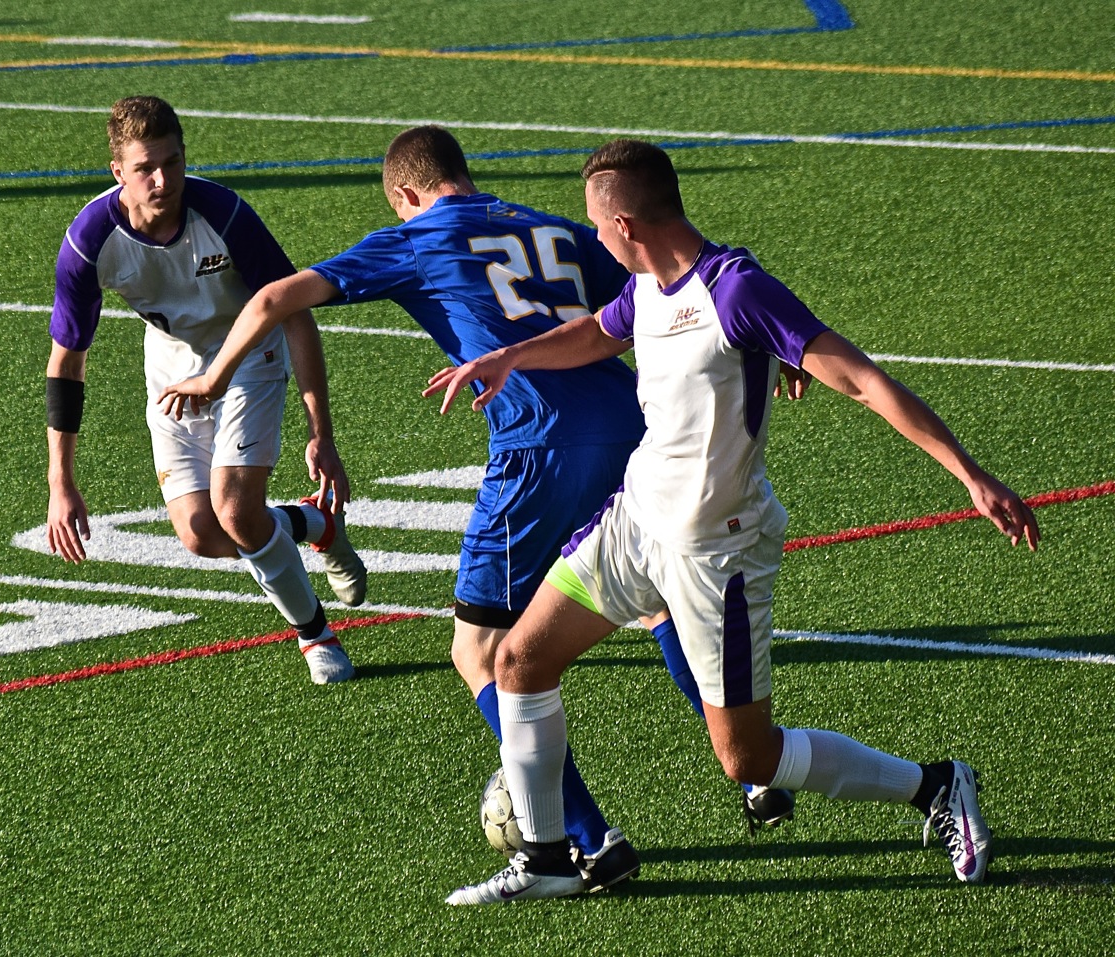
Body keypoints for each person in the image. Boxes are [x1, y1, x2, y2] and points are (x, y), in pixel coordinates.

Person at [156, 125, 791, 889]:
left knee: (480, 652)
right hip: (633, 432)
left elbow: (276, 295)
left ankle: (586, 841)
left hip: (537, 448)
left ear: (406, 197)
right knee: (655, 603)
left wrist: (213, 377)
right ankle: (757, 774)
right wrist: (774, 340)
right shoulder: (546, 223)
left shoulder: (419, 235)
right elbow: (663, 277)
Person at [435, 138, 1040, 904]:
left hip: (717, 553)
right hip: (635, 522)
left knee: (748, 757)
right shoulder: (647, 285)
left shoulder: (736, 290)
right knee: (518, 662)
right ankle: (549, 857)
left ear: (624, 221)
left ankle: (936, 785)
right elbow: (600, 331)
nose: (591, 238)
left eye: (596, 224)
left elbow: (859, 379)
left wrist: (971, 475)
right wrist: (509, 358)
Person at [45, 95, 367, 686]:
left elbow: (294, 313)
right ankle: (313, 525)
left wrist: (321, 431)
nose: (163, 179)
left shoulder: (223, 214)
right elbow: (67, 362)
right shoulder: (89, 242)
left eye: (172, 161)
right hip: (170, 370)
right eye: (145, 168)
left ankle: (315, 636)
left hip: (250, 355)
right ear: (118, 172)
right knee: (200, 533)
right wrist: (61, 482)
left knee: (236, 510)